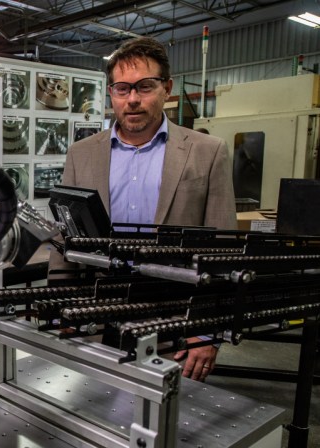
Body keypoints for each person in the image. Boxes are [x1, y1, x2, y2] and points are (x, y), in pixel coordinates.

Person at [50, 37, 237, 381]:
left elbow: (222, 251)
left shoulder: (207, 152)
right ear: (111, 94)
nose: (132, 99)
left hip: (176, 323)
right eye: (122, 89)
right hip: (98, 314)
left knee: (167, 425)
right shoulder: (82, 153)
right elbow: (67, 241)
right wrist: (65, 311)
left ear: (167, 88)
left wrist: (208, 332)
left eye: (145, 87)